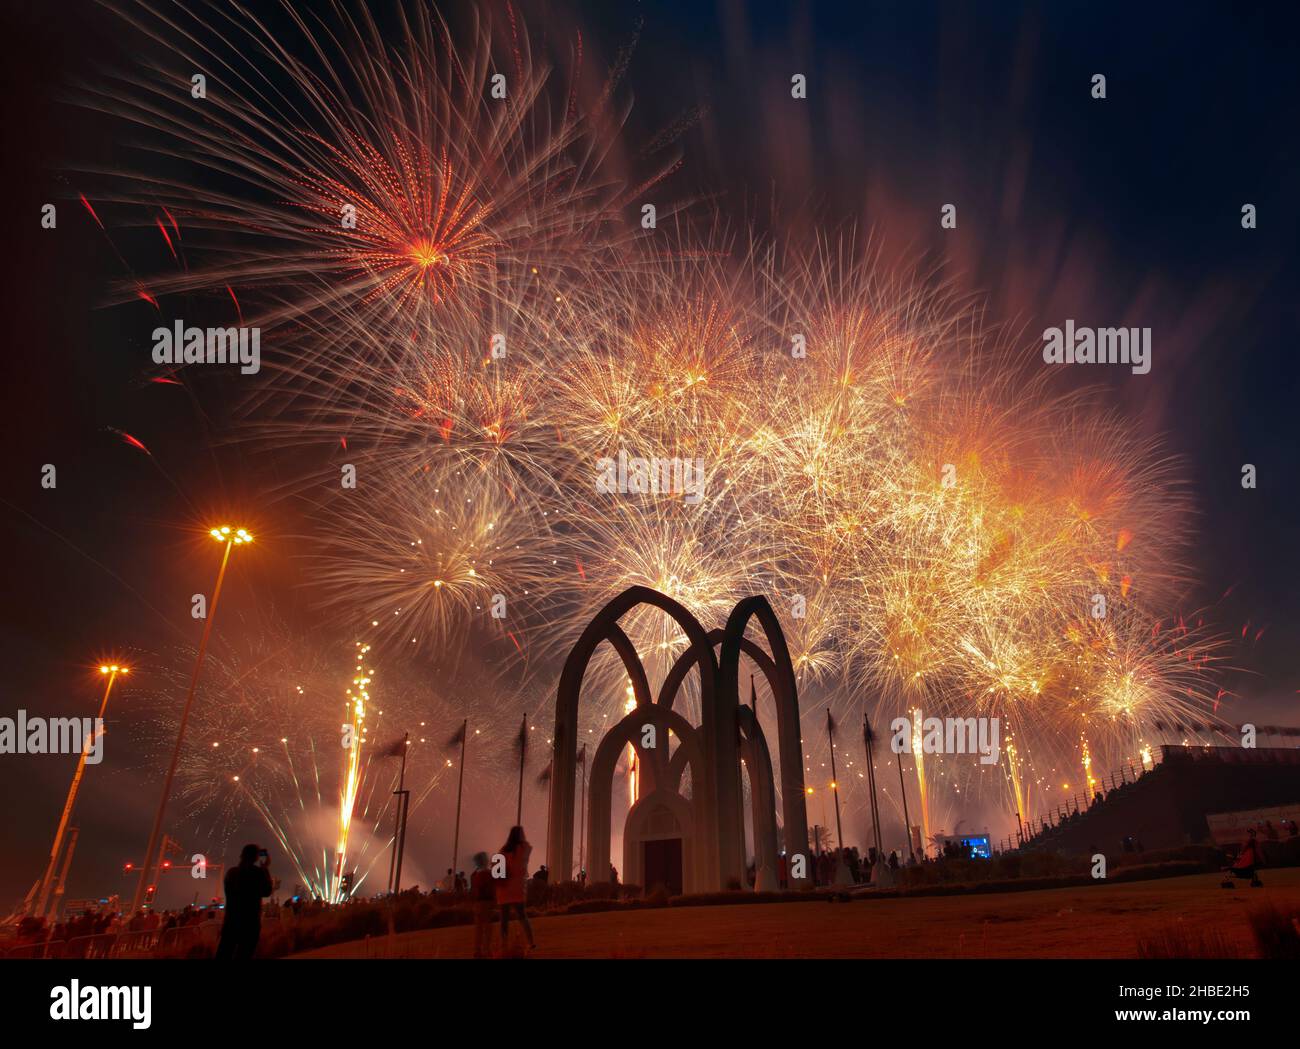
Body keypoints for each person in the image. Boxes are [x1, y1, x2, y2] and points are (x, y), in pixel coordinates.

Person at [216, 844, 273, 960]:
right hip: (250, 924)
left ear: (242, 855)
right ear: (256, 857)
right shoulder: (257, 873)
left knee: (224, 953)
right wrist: (265, 869)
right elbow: (267, 891)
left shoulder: (231, 873)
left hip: (231, 922)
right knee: (244, 954)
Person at [496, 825, 535, 951]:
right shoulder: (524, 848)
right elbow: (529, 848)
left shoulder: (503, 850)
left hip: (504, 889)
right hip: (518, 888)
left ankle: (503, 944)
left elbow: (498, 870)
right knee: (522, 917)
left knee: (504, 920)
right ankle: (531, 941)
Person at [469, 852, 495, 958]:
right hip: (486, 902)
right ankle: (487, 950)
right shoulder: (488, 874)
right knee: (488, 928)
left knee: (478, 929)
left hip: (477, 903)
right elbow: (492, 887)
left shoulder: (474, 875)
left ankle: (477, 950)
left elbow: (473, 890)